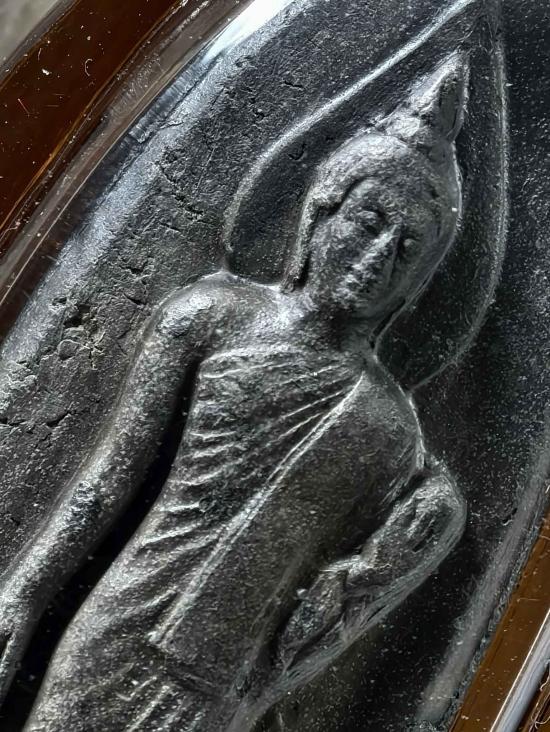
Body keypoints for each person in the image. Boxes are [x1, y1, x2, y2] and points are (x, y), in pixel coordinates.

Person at [0, 57, 467, 731]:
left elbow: (338, 601)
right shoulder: (210, 316)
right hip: (123, 624)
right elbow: (105, 483)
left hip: (217, 686)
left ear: (418, 278)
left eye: (405, 249)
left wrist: (430, 525)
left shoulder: (388, 427)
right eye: (368, 222)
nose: (376, 260)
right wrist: (22, 594)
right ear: (322, 211)